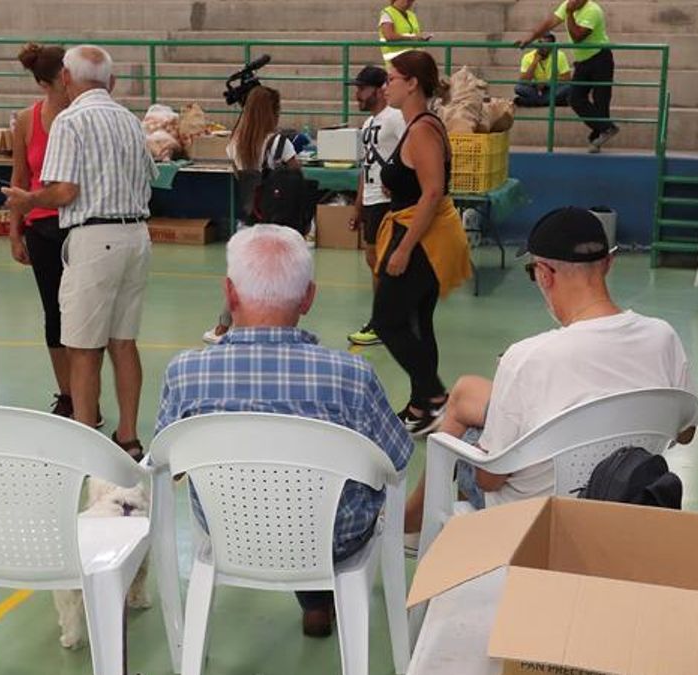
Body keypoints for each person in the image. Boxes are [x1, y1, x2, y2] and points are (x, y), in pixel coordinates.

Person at [157, 224, 412, 638]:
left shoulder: (186, 374)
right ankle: (318, 600)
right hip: (332, 542)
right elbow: (397, 460)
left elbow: (170, 465)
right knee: (327, 495)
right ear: (308, 297)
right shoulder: (352, 377)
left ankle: (313, 602)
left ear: (229, 293)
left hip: (230, 534)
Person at [402, 207, 698, 544]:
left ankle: (422, 525)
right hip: (623, 499)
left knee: (469, 430)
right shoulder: (663, 337)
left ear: (544, 274)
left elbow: (488, 480)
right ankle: (415, 520)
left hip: (533, 519)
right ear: (609, 263)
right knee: (468, 392)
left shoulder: (527, 357)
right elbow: (685, 431)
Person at [1, 45, 155, 459]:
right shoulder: (130, 120)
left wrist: (29, 200)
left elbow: (65, 191)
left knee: (83, 348)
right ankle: (128, 436)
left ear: (66, 78)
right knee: (124, 342)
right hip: (136, 235)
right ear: (111, 81)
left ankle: (86, 439)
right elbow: (149, 177)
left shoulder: (70, 120)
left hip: (94, 237)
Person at [374, 50, 472, 435]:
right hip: (414, 228)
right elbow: (417, 182)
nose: (385, 87)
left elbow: (432, 192)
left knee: (387, 321)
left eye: (391, 79)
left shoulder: (423, 129)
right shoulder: (416, 125)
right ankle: (421, 404)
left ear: (412, 83)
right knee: (416, 321)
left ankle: (434, 397)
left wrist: (404, 249)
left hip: (422, 239)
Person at [9, 43, 88, 423]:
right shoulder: (27, 120)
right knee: (54, 314)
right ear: (45, 83)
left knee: (84, 316)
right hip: (41, 226)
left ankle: (88, 396)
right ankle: (68, 394)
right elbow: (20, 177)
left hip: (82, 223)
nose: (70, 83)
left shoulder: (84, 116)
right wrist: (15, 231)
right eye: (63, 78)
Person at [203, 85, 302, 345]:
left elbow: (241, 177)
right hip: (277, 221)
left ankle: (223, 326)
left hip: (248, 221)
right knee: (281, 276)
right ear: (272, 112)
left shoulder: (235, 144)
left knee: (239, 276)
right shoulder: (280, 143)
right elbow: (297, 175)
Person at [345, 65, 406, 348]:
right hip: (371, 200)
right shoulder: (368, 124)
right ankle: (387, 318)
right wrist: (358, 206)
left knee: (380, 261)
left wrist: (399, 181)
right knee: (374, 262)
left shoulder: (395, 118)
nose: (357, 94)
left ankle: (383, 322)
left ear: (379, 90)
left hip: (387, 201)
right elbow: (366, 168)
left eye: (362, 88)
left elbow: (412, 148)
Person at [517, 0, 618, 152]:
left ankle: (597, 138)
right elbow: (550, 23)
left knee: (601, 101)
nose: (572, 1)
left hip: (600, 58)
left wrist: (569, 13)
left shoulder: (593, 10)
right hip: (582, 61)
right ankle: (606, 128)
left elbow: (578, 37)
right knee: (574, 98)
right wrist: (530, 38)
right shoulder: (567, 5)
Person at [514, 33, 573, 108]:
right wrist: (535, 61)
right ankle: (551, 101)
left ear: (552, 46)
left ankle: (536, 102)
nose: (542, 47)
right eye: (540, 43)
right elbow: (524, 80)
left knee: (569, 87)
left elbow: (567, 78)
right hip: (535, 88)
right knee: (519, 87)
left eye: (546, 44)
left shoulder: (559, 55)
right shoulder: (528, 57)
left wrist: (546, 83)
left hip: (552, 87)